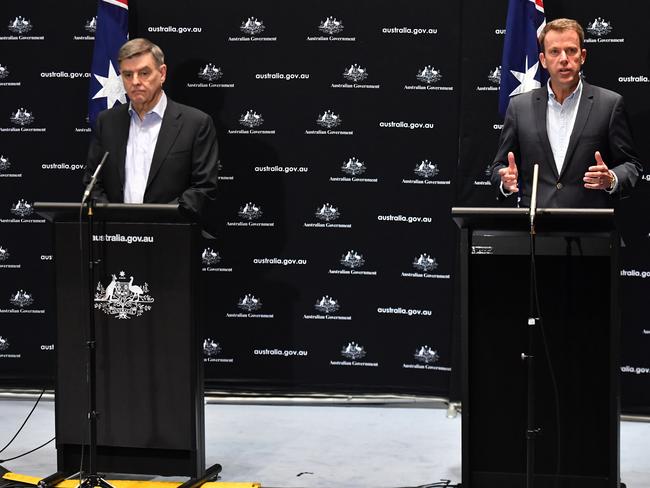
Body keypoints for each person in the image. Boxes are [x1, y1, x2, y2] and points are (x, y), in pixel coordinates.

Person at [490, 18, 642, 208]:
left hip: (591, 229)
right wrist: (505, 180)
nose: (564, 59)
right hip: (536, 229)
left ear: (583, 56)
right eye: (554, 51)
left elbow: (631, 166)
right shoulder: (519, 107)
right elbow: (499, 167)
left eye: (571, 50)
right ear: (543, 60)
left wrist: (611, 179)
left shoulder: (610, 104)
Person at [83, 38, 219, 227]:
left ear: (162, 73)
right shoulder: (107, 122)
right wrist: (116, 220)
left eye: (144, 73)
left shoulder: (195, 124)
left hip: (171, 237)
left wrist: (156, 223)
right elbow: (93, 182)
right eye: (128, 75)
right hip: (117, 237)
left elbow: (203, 188)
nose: (135, 82)